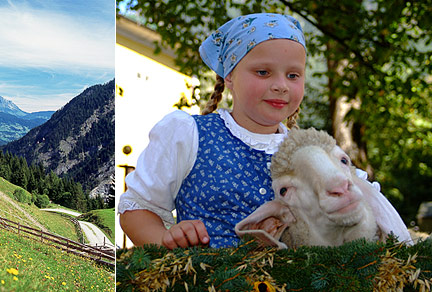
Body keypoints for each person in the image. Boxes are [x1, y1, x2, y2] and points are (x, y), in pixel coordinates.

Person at [118, 13, 410, 249]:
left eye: (293, 75)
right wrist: (167, 240)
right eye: (263, 72)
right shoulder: (188, 134)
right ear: (230, 76)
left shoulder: (314, 153)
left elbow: (365, 203)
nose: (281, 85)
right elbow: (136, 210)